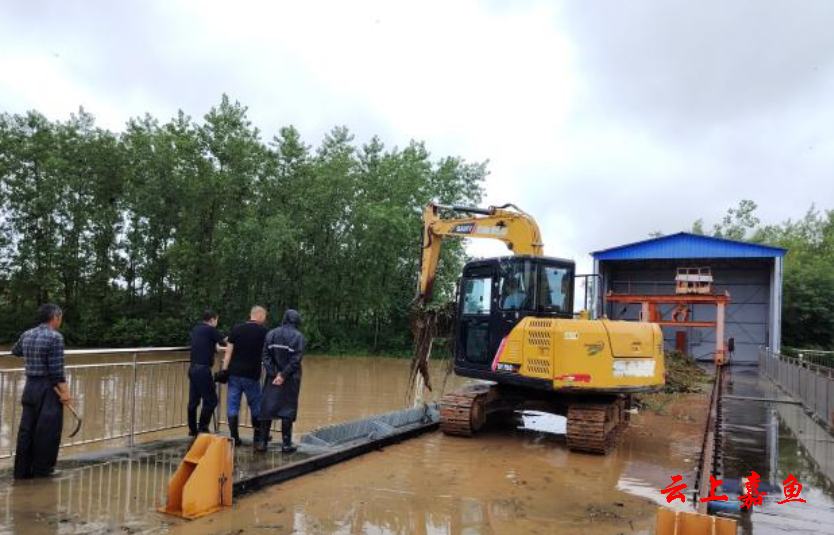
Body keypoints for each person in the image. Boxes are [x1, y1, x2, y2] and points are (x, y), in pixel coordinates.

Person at [9, 303, 72, 479]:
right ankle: (42, 471)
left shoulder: (27, 334)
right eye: (60, 318)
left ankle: (21, 471)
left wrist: (33, 354)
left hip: (30, 386)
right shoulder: (55, 337)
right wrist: (65, 393)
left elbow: (15, 351)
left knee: (26, 430)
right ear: (55, 317)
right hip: (48, 389)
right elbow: (56, 371)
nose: (60, 321)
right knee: (48, 431)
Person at [216, 305, 268, 446]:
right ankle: (258, 437)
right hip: (252, 374)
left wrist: (224, 370)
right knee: (256, 405)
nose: (265, 319)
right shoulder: (264, 332)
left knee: (233, 405)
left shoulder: (237, 329)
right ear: (260, 315)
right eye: (264, 316)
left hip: (234, 374)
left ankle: (235, 438)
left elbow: (228, 352)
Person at [257, 309, 305, 453]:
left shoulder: (271, 334)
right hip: (290, 379)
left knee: (267, 408)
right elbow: (296, 360)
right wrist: (283, 375)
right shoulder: (298, 337)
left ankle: (262, 443)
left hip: (272, 379)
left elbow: (265, 356)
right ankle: (286, 444)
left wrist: (274, 374)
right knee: (287, 410)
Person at [188, 309, 225, 436]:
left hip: (192, 369)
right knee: (211, 400)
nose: (217, 323)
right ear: (212, 319)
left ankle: (192, 429)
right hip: (203, 370)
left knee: (193, 401)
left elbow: (204, 343)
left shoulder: (196, 329)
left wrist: (214, 346)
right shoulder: (211, 330)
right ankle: (203, 428)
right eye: (217, 320)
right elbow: (224, 342)